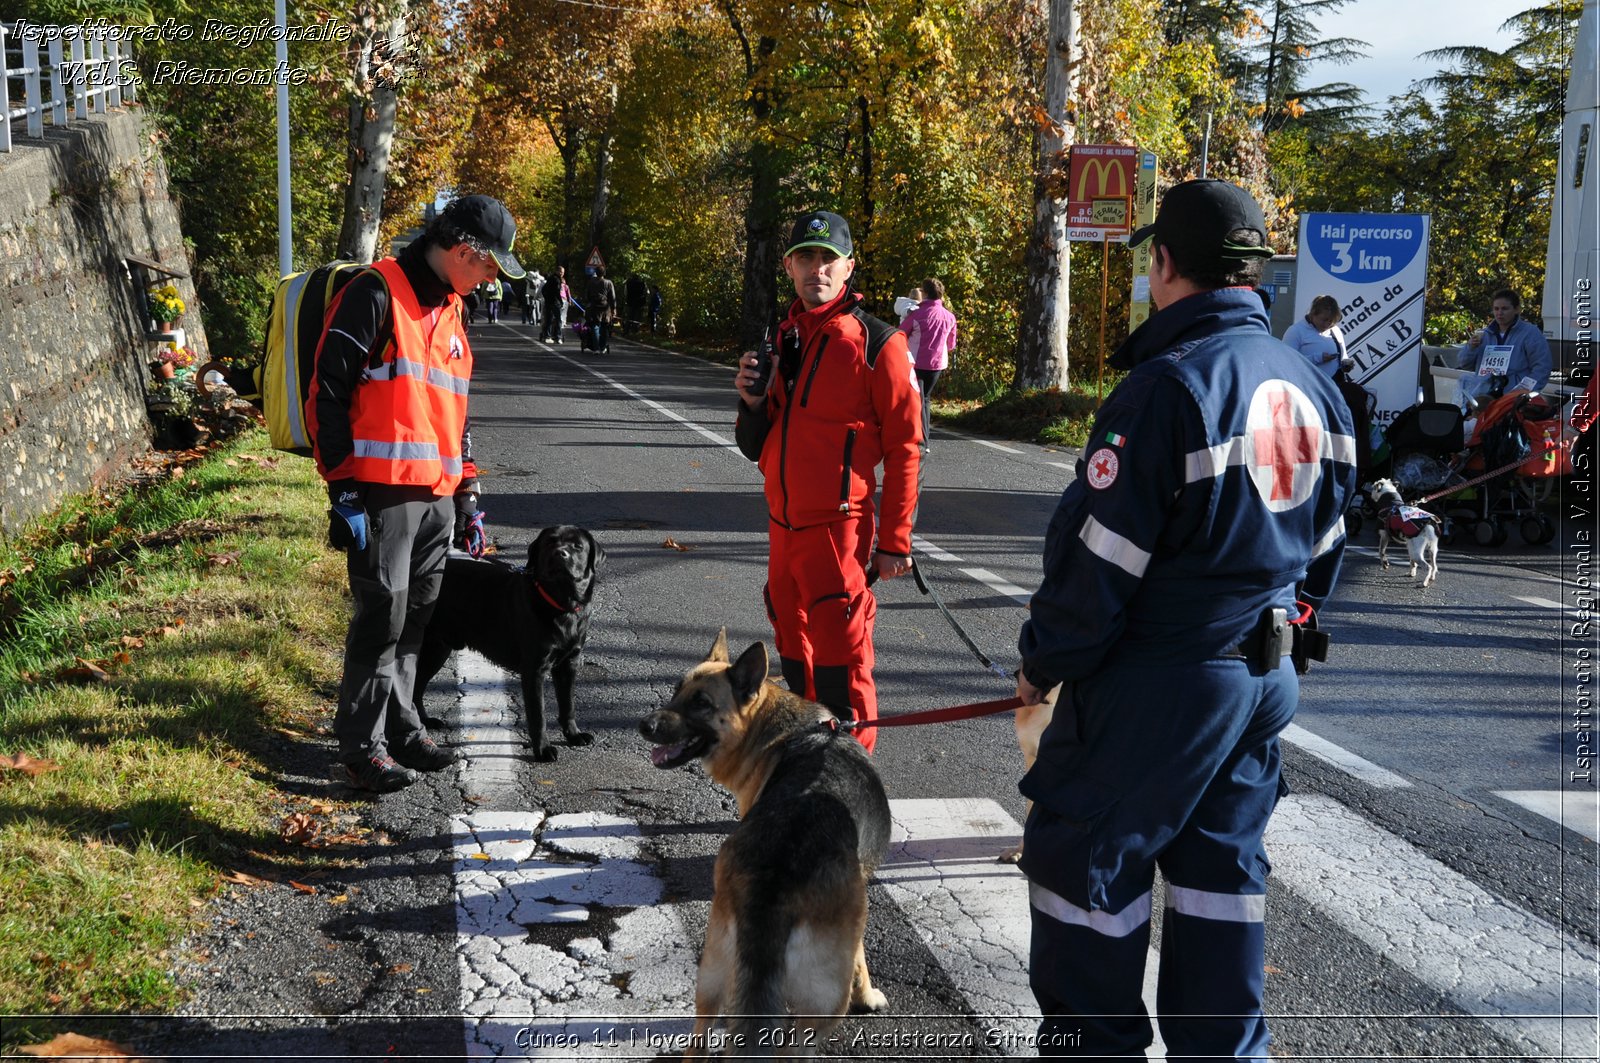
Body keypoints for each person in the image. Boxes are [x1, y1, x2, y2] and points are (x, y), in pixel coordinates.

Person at [1013, 179, 1357, 1059]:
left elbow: (1097, 562)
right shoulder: (1317, 387)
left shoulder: (1166, 389)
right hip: (1263, 676)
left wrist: (1043, 661)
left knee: (1084, 867)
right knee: (1218, 884)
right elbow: (1328, 541)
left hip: (1160, 682)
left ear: (1163, 264)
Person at [306, 194, 527, 793]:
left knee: (419, 620)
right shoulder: (376, 294)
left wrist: (469, 493)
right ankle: (361, 746)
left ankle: (402, 728)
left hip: (436, 497)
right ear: (463, 252)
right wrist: (342, 487)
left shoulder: (452, 311)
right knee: (382, 618)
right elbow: (325, 390)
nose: (488, 280)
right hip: (382, 496)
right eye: (487, 266)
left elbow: (456, 413)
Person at [733, 210, 923, 755]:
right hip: (781, 531)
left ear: (848, 270)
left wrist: (894, 542)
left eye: (828, 259)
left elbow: (906, 448)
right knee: (795, 660)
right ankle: (806, 768)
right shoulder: (783, 337)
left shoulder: (878, 343)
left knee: (843, 667)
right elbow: (755, 444)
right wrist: (749, 404)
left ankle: (848, 785)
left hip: (839, 533)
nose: (817, 268)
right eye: (806, 257)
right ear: (789, 265)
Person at [1457, 287, 1554, 397]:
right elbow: (1463, 364)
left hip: (1514, 400)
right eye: (1496, 309)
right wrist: (1471, 348)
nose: (1500, 313)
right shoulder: (1484, 334)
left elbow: (1542, 367)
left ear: (1517, 309)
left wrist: (1524, 392)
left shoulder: (1530, 333)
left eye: (1505, 308)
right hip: (1484, 397)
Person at [897, 276, 958, 451]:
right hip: (937, 364)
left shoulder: (916, 314)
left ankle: (920, 440)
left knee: (917, 400)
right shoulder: (950, 317)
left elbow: (900, 334)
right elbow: (951, 344)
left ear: (924, 293)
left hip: (916, 363)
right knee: (925, 400)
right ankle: (924, 439)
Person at [1282, 293, 1349, 378]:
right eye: (1324, 320)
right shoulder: (1295, 331)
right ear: (1313, 314)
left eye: (1332, 321)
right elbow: (1287, 362)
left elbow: (1343, 356)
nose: (1328, 324)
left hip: (1335, 383)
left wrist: (1346, 364)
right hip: (1307, 386)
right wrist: (1318, 358)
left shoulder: (1335, 330)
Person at [586, 266, 616, 353]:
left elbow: (587, 294)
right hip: (605, 307)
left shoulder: (591, 282)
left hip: (594, 307)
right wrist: (614, 308)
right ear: (604, 273)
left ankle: (596, 348)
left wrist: (589, 302)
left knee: (595, 326)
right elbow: (612, 297)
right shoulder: (608, 283)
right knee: (604, 327)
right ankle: (602, 347)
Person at [541, 265, 568, 344]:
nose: (562, 274)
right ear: (557, 271)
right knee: (558, 320)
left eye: (563, 272)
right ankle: (558, 336)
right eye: (560, 272)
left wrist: (546, 298)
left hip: (549, 302)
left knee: (549, 319)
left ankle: (547, 336)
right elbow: (557, 292)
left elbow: (543, 289)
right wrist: (561, 301)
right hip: (555, 302)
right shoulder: (557, 280)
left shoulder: (550, 278)